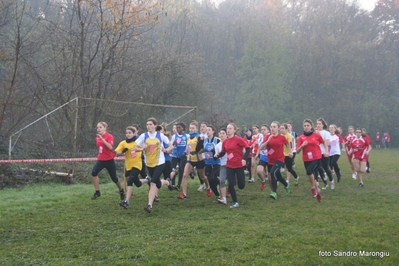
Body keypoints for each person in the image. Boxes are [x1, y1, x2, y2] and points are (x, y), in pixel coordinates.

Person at [135, 117, 173, 213]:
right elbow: (134, 147)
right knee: (158, 184)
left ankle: (149, 205)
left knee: (152, 183)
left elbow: (171, 146)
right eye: (147, 124)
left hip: (160, 162)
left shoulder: (160, 136)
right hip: (149, 163)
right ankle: (168, 183)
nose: (148, 126)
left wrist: (166, 150)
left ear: (155, 125)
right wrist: (142, 148)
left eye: (150, 124)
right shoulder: (144, 136)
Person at [214, 123, 250, 208]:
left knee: (241, 186)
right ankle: (235, 202)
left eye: (230, 128)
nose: (228, 130)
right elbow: (223, 152)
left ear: (234, 130)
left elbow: (248, 148)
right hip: (229, 165)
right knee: (230, 184)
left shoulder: (238, 139)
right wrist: (217, 155)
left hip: (239, 165)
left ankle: (241, 178)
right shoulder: (225, 141)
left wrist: (244, 159)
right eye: (227, 128)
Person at [116, 126, 150, 209]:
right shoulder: (123, 143)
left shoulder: (138, 142)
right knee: (137, 184)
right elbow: (117, 153)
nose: (128, 134)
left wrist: (143, 148)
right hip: (128, 166)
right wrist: (122, 152)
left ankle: (126, 202)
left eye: (130, 133)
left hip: (137, 164)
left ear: (134, 133)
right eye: (126, 133)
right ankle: (147, 180)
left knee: (130, 181)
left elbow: (144, 148)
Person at [91, 122, 125, 200]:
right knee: (94, 172)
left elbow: (110, 147)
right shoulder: (97, 137)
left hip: (109, 160)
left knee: (114, 178)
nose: (98, 129)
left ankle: (121, 190)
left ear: (105, 128)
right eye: (97, 127)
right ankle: (97, 192)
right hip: (101, 159)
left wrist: (102, 138)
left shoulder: (109, 136)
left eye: (100, 127)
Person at [178, 121, 211, 199]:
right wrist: (185, 152)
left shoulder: (199, 137)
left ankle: (208, 187)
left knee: (202, 176)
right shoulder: (188, 138)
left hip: (199, 160)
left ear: (196, 129)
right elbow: (188, 147)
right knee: (185, 175)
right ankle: (184, 194)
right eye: (190, 128)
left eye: (193, 128)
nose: (191, 129)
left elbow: (203, 148)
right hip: (190, 159)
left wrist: (198, 151)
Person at [258, 121, 291, 200]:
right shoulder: (267, 137)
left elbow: (288, 143)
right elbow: (261, 147)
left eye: (274, 127)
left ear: (278, 128)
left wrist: (289, 151)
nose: (272, 128)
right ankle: (286, 185)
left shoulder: (282, 137)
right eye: (271, 127)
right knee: (278, 176)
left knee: (272, 173)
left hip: (279, 159)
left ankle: (274, 192)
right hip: (270, 160)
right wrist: (268, 141)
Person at [296, 119, 326, 202]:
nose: (306, 127)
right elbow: (297, 151)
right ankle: (318, 193)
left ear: (311, 126)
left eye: (308, 125)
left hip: (316, 158)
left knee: (309, 171)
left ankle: (313, 188)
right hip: (306, 159)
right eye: (305, 126)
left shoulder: (316, 135)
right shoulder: (301, 138)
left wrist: (326, 151)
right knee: (314, 178)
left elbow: (324, 142)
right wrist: (302, 145)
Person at [203, 125, 221, 199]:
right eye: (206, 130)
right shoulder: (204, 140)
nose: (207, 131)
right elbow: (202, 149)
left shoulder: (217, 140)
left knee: (212, 178)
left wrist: (214, 150)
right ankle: (217, 195)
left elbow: (220, 152)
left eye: (209, 130)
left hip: (216, 162)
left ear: (213, 131)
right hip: (207, 163)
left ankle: (220, 183)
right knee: (209, 181)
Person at [316, 118, 334, 190]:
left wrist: (320, 138)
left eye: (320, 124)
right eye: (317, 124)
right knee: (319, 168)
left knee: (326, 168)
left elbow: (327, 143)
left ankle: (331, 181)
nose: (318, 125)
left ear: (323, 125)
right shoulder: (314, 133)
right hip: (316, 153)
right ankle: (325, 183)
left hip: (324, 153)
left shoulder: (326, 133)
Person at [170, 122, 189, 190]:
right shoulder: (174, 136)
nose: (178, 129)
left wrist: (186, 152)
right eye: (177, 128)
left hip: (183, 156)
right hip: (175, 155)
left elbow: (188, 145)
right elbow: (171, 145)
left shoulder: (187, 136)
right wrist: (174, 143)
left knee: (181, 170)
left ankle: (179, 185)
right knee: (173, 169)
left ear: (183, 128)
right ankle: (173, 184)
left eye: (179, 127)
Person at [255, 124, 270, 191]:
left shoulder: (271, 137)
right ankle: (263, 181)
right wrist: (257, 154)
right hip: (263, 157)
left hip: (271, 158)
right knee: (259, 171)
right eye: (262, 130)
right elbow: (259, 148)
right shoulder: (260, 139)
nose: (263, 131)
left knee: (271, 176)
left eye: (264, 130)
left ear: (268, 130)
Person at [216, 128, 228, 205]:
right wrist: (216, 155)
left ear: (226, 134)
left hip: (232, 165)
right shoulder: (217, 146)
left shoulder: (230, 142)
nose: (222, 135)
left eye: (223, 133)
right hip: (223, 165)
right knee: (222, 180)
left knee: (233, 182)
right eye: (220, 133)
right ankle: (224, 198)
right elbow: (217, 155)